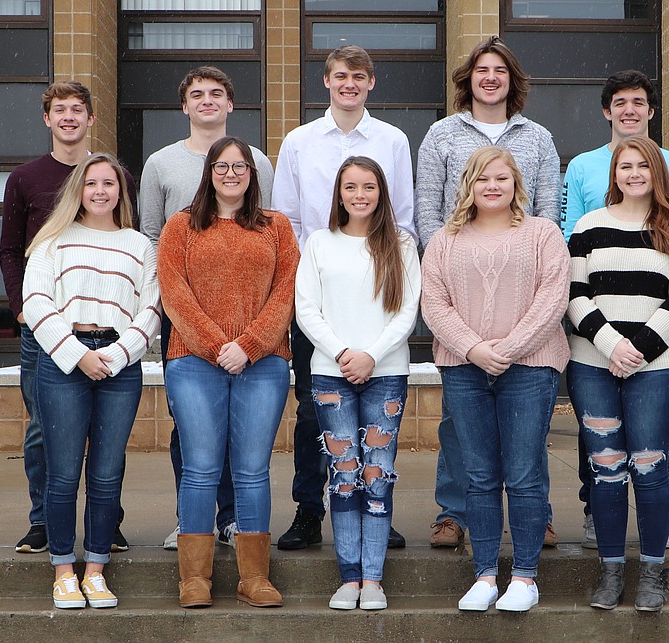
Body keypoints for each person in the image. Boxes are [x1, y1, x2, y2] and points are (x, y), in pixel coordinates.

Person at [414, 35, 561, 549]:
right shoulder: (441, 135)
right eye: (482, 70)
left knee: (528, 425)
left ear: (511, 81)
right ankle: (454, 512)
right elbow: (426, 209)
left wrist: (520, 260)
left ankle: (534, 513)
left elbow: (548, 212)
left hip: (525, 289)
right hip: (461, 289)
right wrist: (456, 263)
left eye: (500, 70)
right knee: (460, 421)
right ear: (468, 80)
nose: (490, 77)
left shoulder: (539, 138)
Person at [273, 45, 416, 551]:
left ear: (370, 83)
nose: (349, 84)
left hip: (378, 295)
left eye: (358, 76)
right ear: (327, 82)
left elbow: (403, 218)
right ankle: (310, 510)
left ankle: (377, 508)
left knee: (378, 413)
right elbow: (286, 222)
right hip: (318, 293)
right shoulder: (299, 142)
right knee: (315, 411)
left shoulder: (393, 141)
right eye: (340, 76)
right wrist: (306, 286)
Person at [421, 146, 569, 613]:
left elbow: (553, 295)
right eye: (483, 178)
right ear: (468, 183)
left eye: (501, 178)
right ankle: (485, 574)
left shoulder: (543, 234)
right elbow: (435, 303)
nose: (492, 185)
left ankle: (524, 577)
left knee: (524, 475)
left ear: (515, 184)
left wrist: (505, 349)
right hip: (465, 369)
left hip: (529, 367)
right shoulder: (445, 239)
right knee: (479, 475)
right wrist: (475, 349)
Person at [561, 70, 669, 548]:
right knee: (603, 450)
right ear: (607, 110)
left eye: (639, 101)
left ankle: (654, 522)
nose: (629, 109)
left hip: (656, 335)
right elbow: (571, 249)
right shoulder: (581, 169)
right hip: (597, 325)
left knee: (652, 449)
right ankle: (601, 520)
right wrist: (608, 339)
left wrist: (639, 346)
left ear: (651, 110)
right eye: (620, 102)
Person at [158, 136, 299, 609]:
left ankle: (253, 577)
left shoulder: (276, 227)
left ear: (253, 174)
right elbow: (173, 294)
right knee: (199, 468)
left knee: (252, 470)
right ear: (209, 172)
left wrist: (251, 346)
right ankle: (194, 579)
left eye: (241, 166)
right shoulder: (180, 227)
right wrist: (221, 347)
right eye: (223, 165)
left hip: (263, 364)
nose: (232, 173)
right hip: (193, 362)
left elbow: (286, 291)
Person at [139, 65, 274, 551]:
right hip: (187, 327)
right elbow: (154, 239)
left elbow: (266, 239)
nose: (207, 101)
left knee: (245, 442)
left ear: (231, 104)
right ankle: (189, 518)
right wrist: (188, 323)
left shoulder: (256, 159)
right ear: (185, 105)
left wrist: (250, 338)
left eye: (217, 93)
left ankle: (235, 519)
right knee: (192, 437)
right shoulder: (160, 163)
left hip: (250, 332)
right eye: (197, 94)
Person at [0, 80, 138, 555]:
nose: (69, 118)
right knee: (44, 430)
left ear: (91, 119)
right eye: (60, 110)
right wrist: (24, 310)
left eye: (78, 110)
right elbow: (11, 250)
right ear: (48, 119)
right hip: (44, 327)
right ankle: (43, 521)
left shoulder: (109, 177)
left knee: (107, 444)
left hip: (106, 329)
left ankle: (107, 524)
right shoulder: (25, 177)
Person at [22, 153, 160, 609]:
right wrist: (78, 356)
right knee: (62, 473)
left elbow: (151, 311)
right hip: (64, 363)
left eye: (110, 183)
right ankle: (64, 569)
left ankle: (96, 569)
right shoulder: (52, 241)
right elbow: (37, 303)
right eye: (92, 183)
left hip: (119, 366)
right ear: (77, 190)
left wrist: (118, 355)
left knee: (106, 473)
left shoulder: (140, 245)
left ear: (122, 191)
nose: (101, 191)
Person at [295, 156, 421, 611]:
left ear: (381, 193)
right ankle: (349, 576)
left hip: (386, 373)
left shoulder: (401, 244)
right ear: (339, 194)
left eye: (369, 186)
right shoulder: (319, 244)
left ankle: (374, 579)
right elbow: (307, 309)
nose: (360, 195)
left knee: (377, 475)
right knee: (343, 476)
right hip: (333, 372)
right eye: (351, 187)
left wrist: (372, 355)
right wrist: (346, 354)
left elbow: (407, 310)